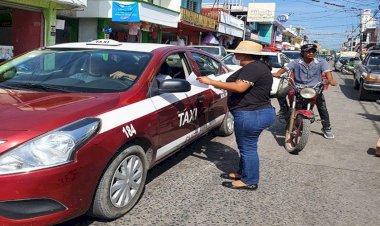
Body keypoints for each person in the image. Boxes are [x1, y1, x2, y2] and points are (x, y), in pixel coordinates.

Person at [197, 41, 276, 190]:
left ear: (244, 54)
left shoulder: (253, 67)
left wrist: (211, 82)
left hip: (252, 114)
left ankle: (250, 180)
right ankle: (243, 173)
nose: (234, 54)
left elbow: (240, 87)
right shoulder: (255, 67)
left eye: (237, 52)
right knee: (246, 146)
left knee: (248, 148)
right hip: (255, 113)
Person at [273, 43, 337, 139]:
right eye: (308, 51)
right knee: (280, 93)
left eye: (313, 51)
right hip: (297, 86)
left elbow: (328, 73)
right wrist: (278, 73)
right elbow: (285, 68)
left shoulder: (321, 62)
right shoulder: (296, 62)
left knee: (322, 106)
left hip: (315, 88)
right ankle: (284, 110)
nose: (311, 53)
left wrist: (330, 81)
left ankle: (327, 128)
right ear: (303, 52)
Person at [70, 54, 136, 82]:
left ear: (102, 64)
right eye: (91, 62)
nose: (93, 65)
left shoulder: (110, 79)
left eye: (97, 62)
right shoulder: (77, 76)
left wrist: (126, 75)